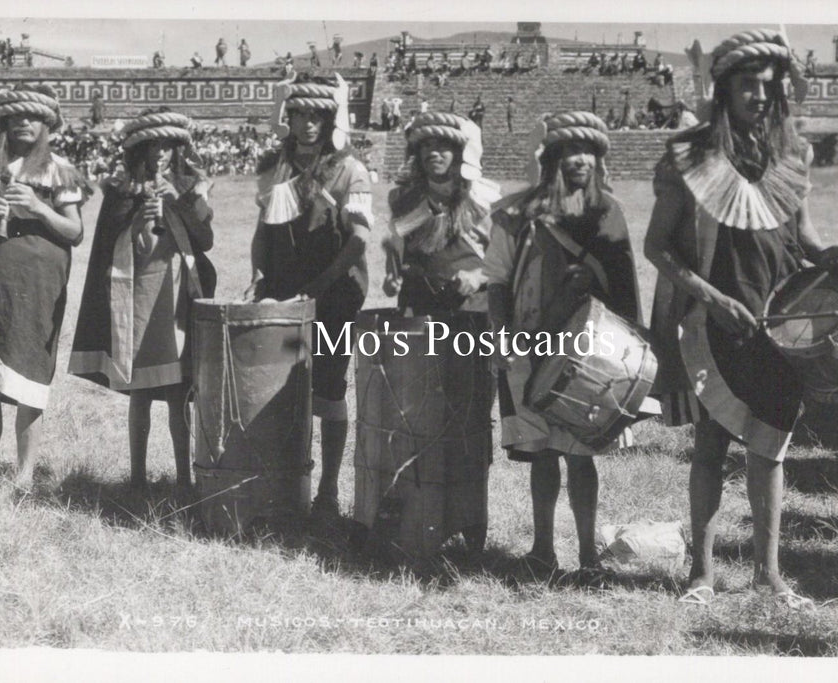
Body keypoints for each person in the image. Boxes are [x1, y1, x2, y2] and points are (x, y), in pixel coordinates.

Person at [643, 29, 838, 608]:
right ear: (724, 88)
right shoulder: (691, 157)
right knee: (711, 445)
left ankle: (769, 575)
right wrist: (712, 299)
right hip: (716, 322)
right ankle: (702, 576)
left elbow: (802, 236)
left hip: (780, 324)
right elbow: (657, 248)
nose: (760, 95)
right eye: (748, 84)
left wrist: (826, 254)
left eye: (769, 85)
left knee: (771, 449)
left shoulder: (791, 155)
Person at [484, 111, 646, 586]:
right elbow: (496, 280)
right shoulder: (519, 214)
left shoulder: (607, 213)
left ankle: (588, 555)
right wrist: (499, 335)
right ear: (552, 159)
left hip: (590, 352)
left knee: (581, 454)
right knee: (541, 453)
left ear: (598, 159)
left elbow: (624, 287)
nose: (579, 160)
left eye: (588, 152)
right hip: (529, 344)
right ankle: (542, 549)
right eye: (569, 152)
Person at [69, 109, 216, 490]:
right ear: (140, 150)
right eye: (154, 146)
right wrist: (138, 218)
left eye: (169, 146)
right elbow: (109, 243)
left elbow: (206, 240)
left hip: (177, 296)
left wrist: (178, 203)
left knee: (177, 390)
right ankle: (137, 477)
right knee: (141, 392)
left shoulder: (190, 185)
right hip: (136, 296)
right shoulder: (121, 189)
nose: (161, 154)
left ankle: (184, 476)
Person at [0, 84, 91, 490]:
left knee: (31, 373)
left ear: (46, 123)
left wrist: (39, 208)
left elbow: (75, 231)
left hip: (38, 285)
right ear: (3, 123)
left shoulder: (59, 169)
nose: (25, 123)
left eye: (32, 117)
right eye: (16, 117)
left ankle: (26, 474)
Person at [250, 75, 373, 520]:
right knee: (285, 388)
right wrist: (259, 275)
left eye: (316, 115)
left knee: (328, 389)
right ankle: (288, 483)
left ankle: (328, 491)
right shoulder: (272, 167)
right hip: (283, 292)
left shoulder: (349, 170)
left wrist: (319, 289)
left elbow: (358, 240)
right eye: (299, 114)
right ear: (289, 117)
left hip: (336, 295)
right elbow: (262, 229)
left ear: (329, 119)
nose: (307, 124)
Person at [382, 112, 499, 314]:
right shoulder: (404, 200)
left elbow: (508, 262)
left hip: (471, 315)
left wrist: (478, 276)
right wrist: (392, 276)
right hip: (418, 314)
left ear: (459, 152)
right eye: (427, 146)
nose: (433, 153)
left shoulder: (481, 201)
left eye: (442, 146)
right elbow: (396, 249)